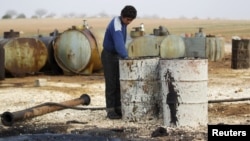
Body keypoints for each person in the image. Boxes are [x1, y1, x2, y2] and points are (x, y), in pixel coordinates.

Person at [101, 5, 137, 119]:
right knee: (111, 83)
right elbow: (118, 43)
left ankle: (117, 108)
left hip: (116, 55)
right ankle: (110, 110)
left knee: (118, 82)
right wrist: (125, 56)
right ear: (122, 16)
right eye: (127, 19)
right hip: (109, 55)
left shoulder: (123, 23)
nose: (129, 22)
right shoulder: (116, 24)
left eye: (131, 20)